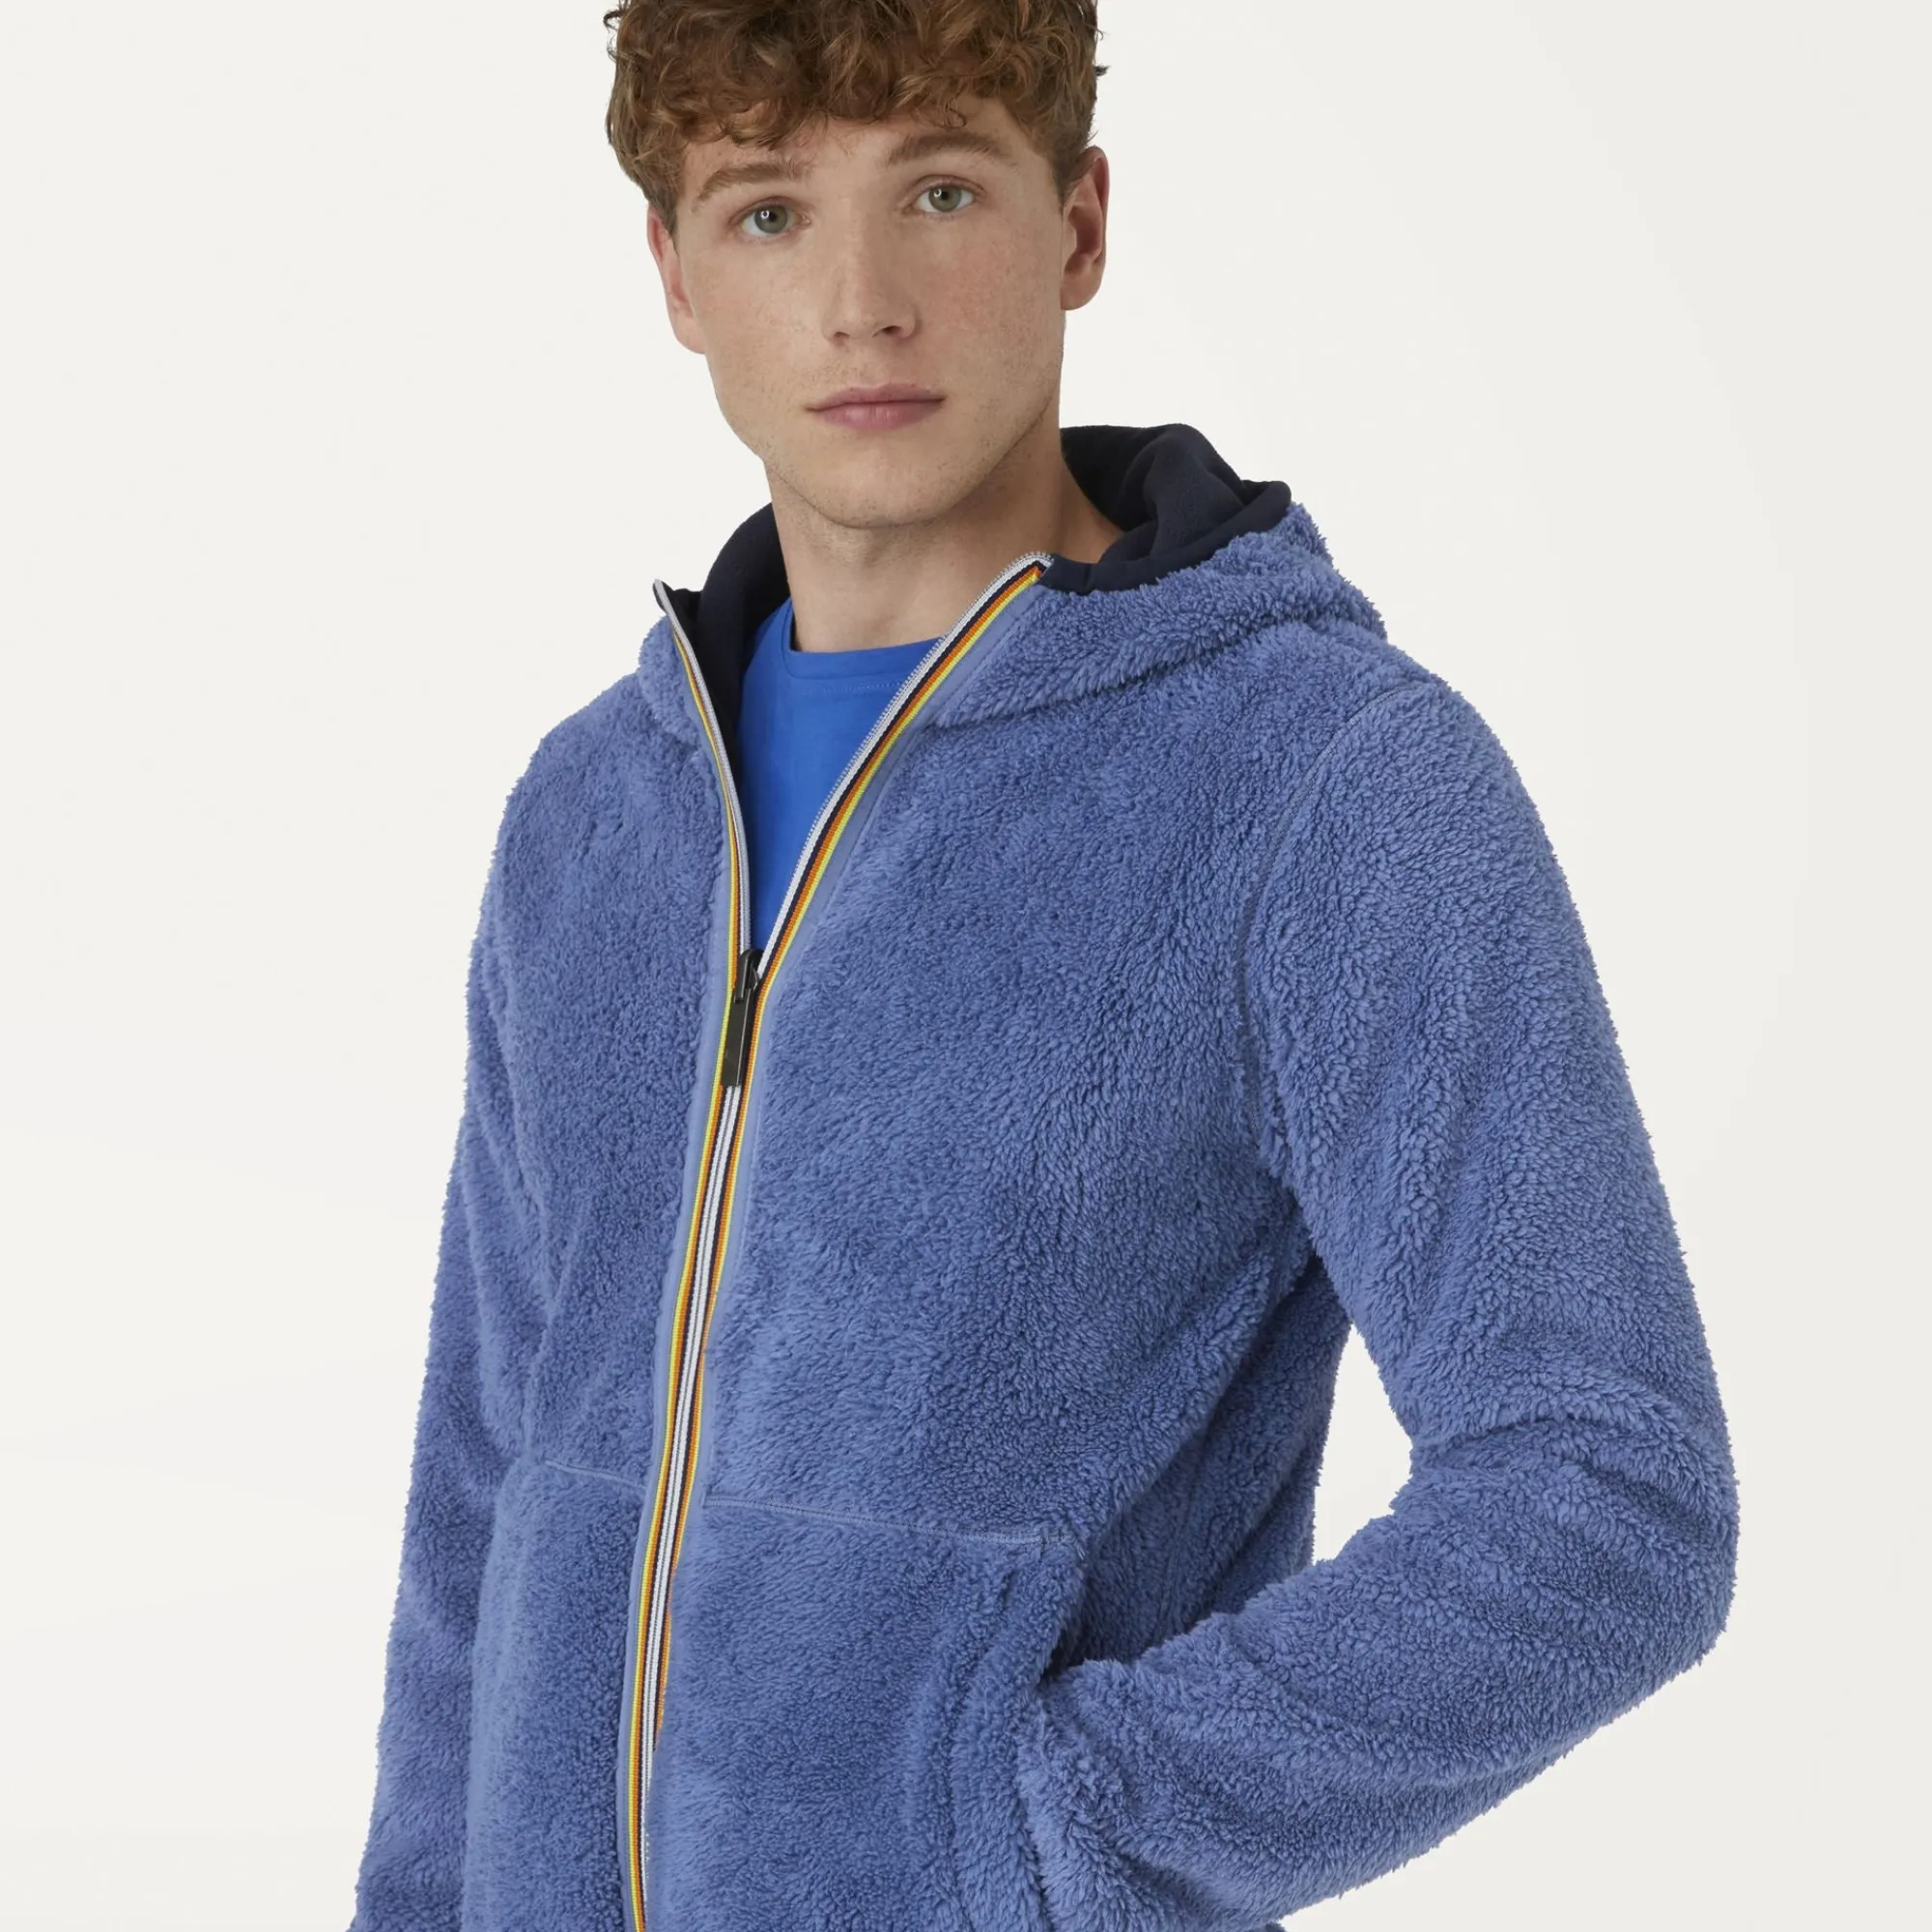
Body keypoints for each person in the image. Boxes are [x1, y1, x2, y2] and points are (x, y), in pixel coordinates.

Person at [344, 5, 1740, 1929]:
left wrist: (1043, 1829)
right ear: (672, 270)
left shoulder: (1322, 785)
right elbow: (479, 1502)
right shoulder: (594, 815)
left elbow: (1604, 1491)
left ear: (1077, 222)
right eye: (768, 213)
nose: (861, 303)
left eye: (938, 191)